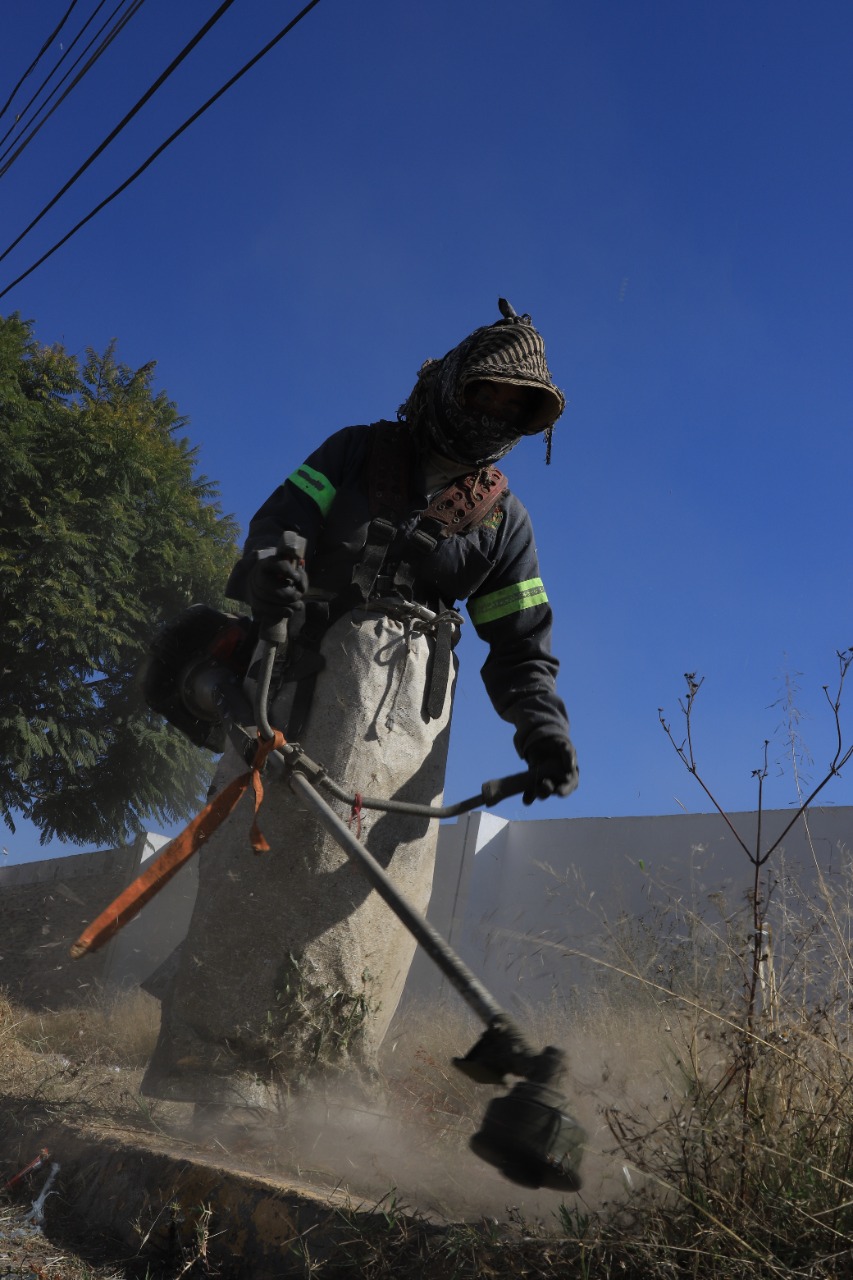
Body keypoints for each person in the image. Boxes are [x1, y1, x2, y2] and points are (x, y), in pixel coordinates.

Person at [140, 298, 578, 1123]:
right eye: (487, 394)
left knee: (361, 912)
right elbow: (279, 518)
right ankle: (220, 1093)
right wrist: (276, 566)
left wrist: (542, 728)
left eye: (516, 409)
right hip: (291, 696)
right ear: (452, 384)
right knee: (252, 881)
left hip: (402, 739)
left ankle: (315, 1104)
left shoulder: (503, 523)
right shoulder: (354, 451)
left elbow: (519, 645)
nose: (495, 416)